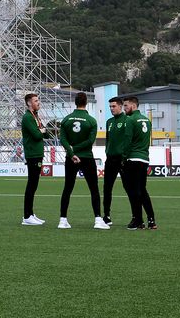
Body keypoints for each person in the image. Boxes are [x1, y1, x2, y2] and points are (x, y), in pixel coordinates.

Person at [58, 92, 108, 230]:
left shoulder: (66, 119)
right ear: (86, 102)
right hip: (86, 157)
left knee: (67, 188)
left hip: (71, 158)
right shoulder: (91, 120)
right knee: (94, 189)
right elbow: (90, 141)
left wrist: (71, 151)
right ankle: (98, 219)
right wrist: (77, 149)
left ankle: (63, 220)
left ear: (75, 102)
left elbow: (62, 139)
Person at [122, 95, 157, 230]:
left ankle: (138, 221)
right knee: (142, 190)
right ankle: (151, 220)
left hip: (133, 159)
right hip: (144, 158)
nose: (124, 109)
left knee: (133, 191)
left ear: (133, 105)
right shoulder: (147, 121)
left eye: (126, 106)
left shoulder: (130, 120)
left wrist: (123, 158)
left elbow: (127, 141)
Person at [20, 93, 46, 226]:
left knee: (34, 185)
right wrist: (41, 131)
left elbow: (44, 132)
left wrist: (41, 131)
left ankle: (30, 213)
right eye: (36, 101)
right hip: (33, 154)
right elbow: (37, 134)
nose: (38, 102)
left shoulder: (35, 116)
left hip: (37, 153)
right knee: (32, 184)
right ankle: (26, 216)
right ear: (29, 103)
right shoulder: (28, 117)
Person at [102, 96, 128, 226]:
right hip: (110, 159)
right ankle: (106, 216)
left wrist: (124, 156)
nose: (111, 109)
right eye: (110, 107)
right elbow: (108, 140)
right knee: (107, 188)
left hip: (123, 159)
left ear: (120, 106)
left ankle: (136, 216)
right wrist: (107, 152)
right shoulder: (109, 122)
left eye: (113, 106)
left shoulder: (127, 120)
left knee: (128, 188)